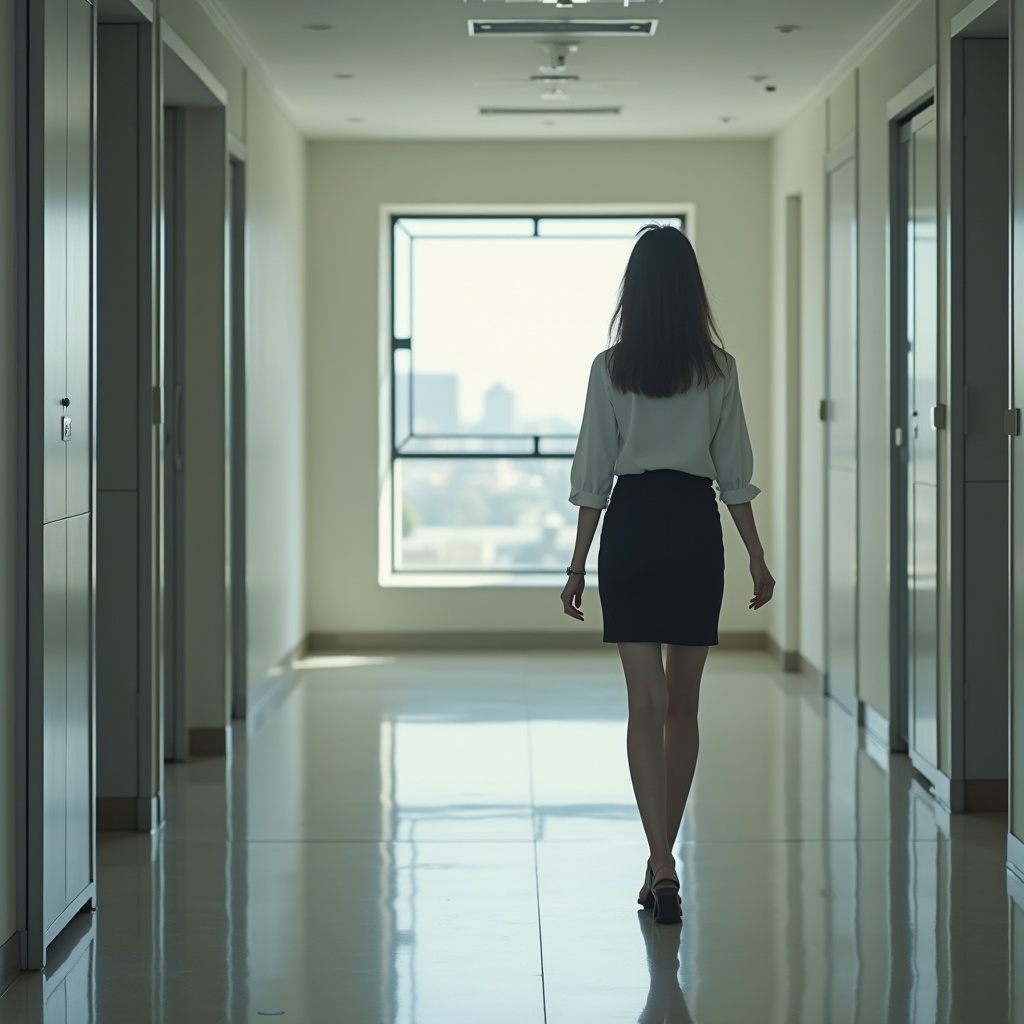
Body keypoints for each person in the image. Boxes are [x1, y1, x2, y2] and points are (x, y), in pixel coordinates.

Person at [559, 224, 775, 925]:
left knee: (643, 707)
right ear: (690, 292)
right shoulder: (719, 368)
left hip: (631, 529)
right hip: (691, 529)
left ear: (635, 293)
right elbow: (735, 476)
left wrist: (575, 564)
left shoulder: (610, 368)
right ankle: (663, 865)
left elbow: (593, 475)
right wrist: (756, 555)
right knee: (683, 709)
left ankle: (660, 862)